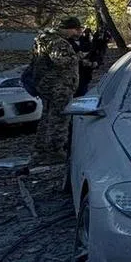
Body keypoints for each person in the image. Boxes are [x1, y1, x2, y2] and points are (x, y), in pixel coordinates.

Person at [28, 17, 82, 166]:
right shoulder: (58, 42)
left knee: (46, 118)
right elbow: (61, 61)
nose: (75, 33)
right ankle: (54, 151)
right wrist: (77, 57)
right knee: (59, 118)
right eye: (74, 29)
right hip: (59, 86)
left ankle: (40, 151)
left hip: (45, 84)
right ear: (67, 28)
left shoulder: (42, 39)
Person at [75, 27, 94, 97]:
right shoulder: (67, 42)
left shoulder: (86, 41)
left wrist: (93, 63)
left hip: (84, 74)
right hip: (71, 76)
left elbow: (92, 54)